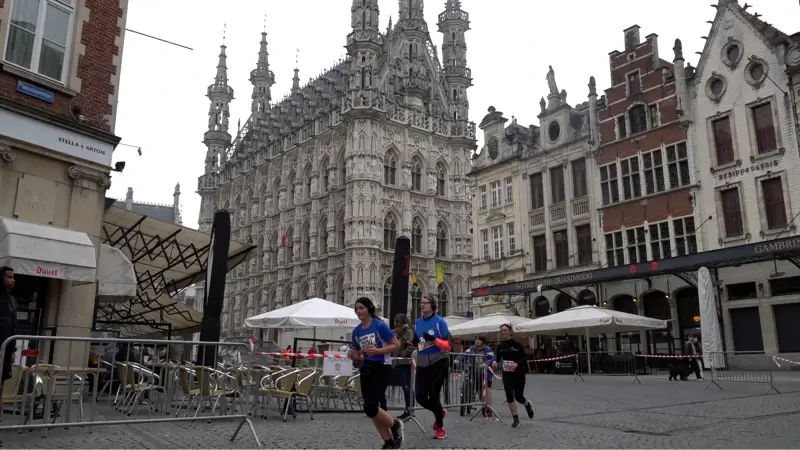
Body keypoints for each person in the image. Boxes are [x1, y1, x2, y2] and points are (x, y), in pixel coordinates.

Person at [348, 297, 405, 449]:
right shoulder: (356, 331)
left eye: (361, 308)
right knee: (370, 409)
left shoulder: (380, 326)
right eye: (356, 309)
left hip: (381, 367)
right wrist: (353, 355)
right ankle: (388, 442)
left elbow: (396, 344)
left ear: (368, 309)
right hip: (366, 368)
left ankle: (395, 424)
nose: (358, 311)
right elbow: (358, 354)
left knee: (370, 407)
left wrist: (378, 350)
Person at [412, 294, 451, 440]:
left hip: (439, 361)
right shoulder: (417, 322)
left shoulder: (440, 322)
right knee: (420, 396)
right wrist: (414, 343)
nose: (422, 305)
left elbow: (448, 345)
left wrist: (435, 340)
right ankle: (439, 411)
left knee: (434, 393)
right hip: (422, 362)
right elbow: (419, 345)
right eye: (421, 303)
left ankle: (440, 428)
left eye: (425, 303)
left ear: (432, 305)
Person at [493, 324, 534, 428]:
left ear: (510, 331)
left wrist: (517, 363)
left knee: (519, 397)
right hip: (507, 373)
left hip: (519, 373)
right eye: (501, 330)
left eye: (505, 330)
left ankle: (527, 405)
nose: (503, 332)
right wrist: (495, 362)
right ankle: (515, 419)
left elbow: (524, 357)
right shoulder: (500, 346)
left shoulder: (517, 344)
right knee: (509, 396)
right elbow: (497, 358)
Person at [0, 266, 17, 443]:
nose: (13, 280)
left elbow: (13, 327)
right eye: (9, 277)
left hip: (5, 352)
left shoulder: (12, 301)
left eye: (13, 277)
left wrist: (12, 351)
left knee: (1, 389)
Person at [459, 336, 495, 417]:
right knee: (470, 382)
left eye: (480, 340)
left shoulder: (487, 349)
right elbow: (464, 354)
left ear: (483, 341)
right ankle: (469, 396)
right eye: (476, 339)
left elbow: (492, 358)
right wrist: (457, 359)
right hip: (473, 370)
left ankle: (487, 408)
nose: (477, 341)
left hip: (484, 372)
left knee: (482, 389)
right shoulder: (471, 348)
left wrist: (486, 363)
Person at [392, 313, 415, 420]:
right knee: (405, 387)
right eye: (394, 321)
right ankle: (407, 409)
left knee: (408, 387)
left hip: (406, 363)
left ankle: (410, 410)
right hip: (400, 363)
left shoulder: (408, 331)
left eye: (397, 321)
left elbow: (411, 346)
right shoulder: (399, 333)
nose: (395, 323)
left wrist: (402, 354)